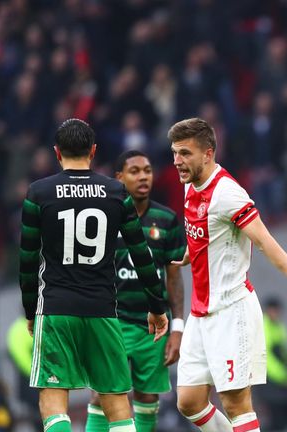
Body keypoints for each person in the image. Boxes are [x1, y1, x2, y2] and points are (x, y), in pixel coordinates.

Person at [167, 118, 287, 432]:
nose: (177, 161)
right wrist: (188, 255)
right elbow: (204, 234)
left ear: (208, 153)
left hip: (231, 311)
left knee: (236, 404)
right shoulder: (188, 185)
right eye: (174, 153)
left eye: (185, 153)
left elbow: (265, 241)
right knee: (188, 401)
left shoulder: (227, 193)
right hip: (200, 313)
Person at [18, 119, 169, 432]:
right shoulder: (116, 192)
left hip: (57, 309)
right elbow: (142, 254)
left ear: (57, 153)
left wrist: (31, 310)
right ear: (94, 151)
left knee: (53, 399)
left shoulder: (39, 193)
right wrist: (156, 307)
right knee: (116, 402)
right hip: (103, 310)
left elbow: (28, 260)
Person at [85, 150, 186, 432]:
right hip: (112, 322)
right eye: (134, 171)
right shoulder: (104, 218)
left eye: (148, 170)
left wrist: (177, 327)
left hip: (153, 326)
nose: (143, 176)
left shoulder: (166, 220)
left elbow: (174, 277)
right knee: (102, 393)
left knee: (147, 397)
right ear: (119, 178)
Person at [252, 297, 287, 431]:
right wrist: (283, 375)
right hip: (270, 382)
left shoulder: (279, 327)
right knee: (278, 417)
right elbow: (266, 356)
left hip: (281, 383)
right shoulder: (264, 326)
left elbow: (285, 352)